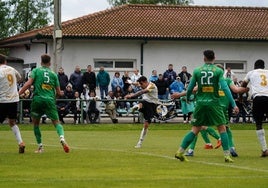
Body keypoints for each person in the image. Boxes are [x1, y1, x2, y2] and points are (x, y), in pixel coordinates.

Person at [174, 50, 238, 163]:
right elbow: (225, 88)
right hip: (214, 103)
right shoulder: (218, 71)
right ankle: (227, 155)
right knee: (222, 128)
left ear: (204, 58)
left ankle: (180, 151)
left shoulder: (197, 70)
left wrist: (188, 97)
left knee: (195, 129)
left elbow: (190, 88)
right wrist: (233, 104)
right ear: (214, 58)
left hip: (200, 103)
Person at [19, 54, 70, 153]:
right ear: (50, 63)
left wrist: (19, 93)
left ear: (41, 62)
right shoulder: (53, 74)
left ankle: (40, 147)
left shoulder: (36, 71)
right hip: (49, 100)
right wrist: (56, 96)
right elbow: (59, 92)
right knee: (56, 122)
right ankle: (62, 138)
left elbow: (29, 83)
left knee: (36, 124)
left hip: (38, 99)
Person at [241, 59, 268, 157]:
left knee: (259, 124)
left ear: (254, 66)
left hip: (258, 98)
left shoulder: (251, 73)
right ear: (264, 66)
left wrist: (241, 97)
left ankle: (265, 149)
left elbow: (243, 85)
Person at [125, 76, 159, 148]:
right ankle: (137, 107)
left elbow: (142, 91)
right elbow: (137, 84)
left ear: (145, 82)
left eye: (141, 84)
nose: (140, 86)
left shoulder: (152, 86)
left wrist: (132, 96)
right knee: (143, 102)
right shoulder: (143, 84)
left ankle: (140, 142)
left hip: (152, 105)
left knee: (146, 125)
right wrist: (130, 82)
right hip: (145, 103)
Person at [0, 54, 25, 153]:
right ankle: (21, 142)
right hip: (14, 100)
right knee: (12, 122)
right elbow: (20, 78)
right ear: (5, 61)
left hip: (2, 100)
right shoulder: (12, 69)